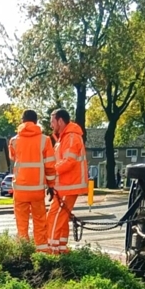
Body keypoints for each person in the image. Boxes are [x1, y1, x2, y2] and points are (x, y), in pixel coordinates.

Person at [8, 110, 55, 253]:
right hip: (37, 190)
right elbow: (50, 166)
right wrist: (51, 186)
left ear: (22, 121)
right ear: (36, 121)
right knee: (40, 222)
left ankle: (23, 251)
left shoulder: (14, 141)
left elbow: (13, 158)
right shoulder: (44, 140)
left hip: (20, 189)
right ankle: (41, 251)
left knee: (21, 223)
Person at [48, 108, 89, 255]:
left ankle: (51, 250)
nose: (50, 125)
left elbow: (69, 161)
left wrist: (51, 173)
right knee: (61, 217)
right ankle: (60, 248)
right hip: (65, 185)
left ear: (60, 120)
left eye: (52, 121)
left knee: (55, 216)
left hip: (69, 185)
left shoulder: (70, 137)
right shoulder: (65, 138)